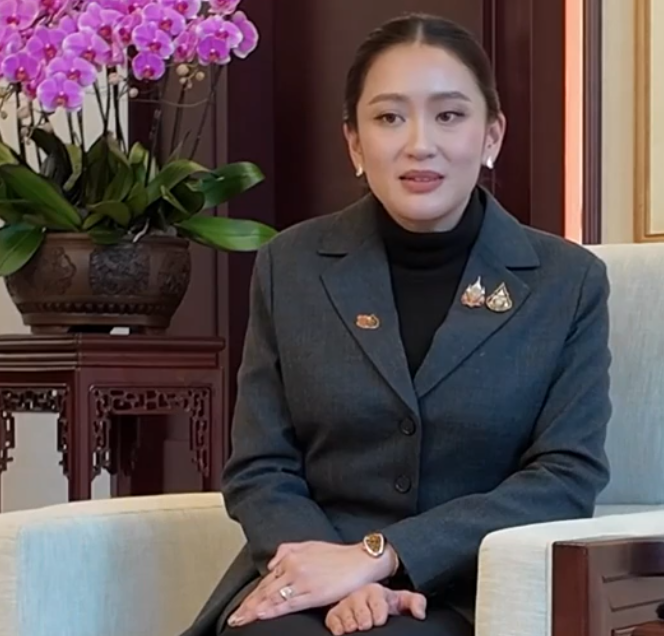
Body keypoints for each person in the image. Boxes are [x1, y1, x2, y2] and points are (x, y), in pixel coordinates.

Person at [180, 11, 612, 636]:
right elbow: (260, 466)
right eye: (389, 118)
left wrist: (380, 559)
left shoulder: (567, 282)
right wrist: (335, 578)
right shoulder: (291, 265)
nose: (419, 144)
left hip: (464, 589)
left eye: (449, 115)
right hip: (308, 582)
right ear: (355, 143)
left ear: (492, 135)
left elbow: (565, 480)